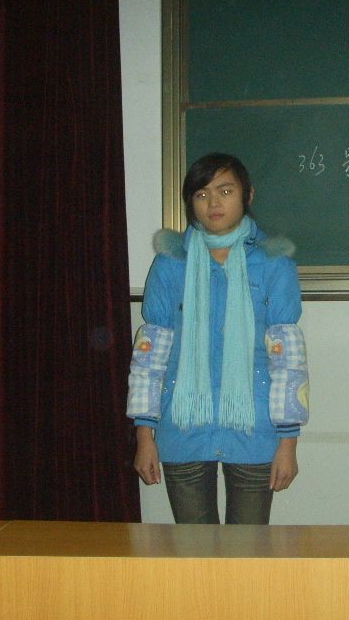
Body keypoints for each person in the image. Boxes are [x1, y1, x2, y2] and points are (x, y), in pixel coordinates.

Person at [126, 153, 309, 524]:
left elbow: (288, 361)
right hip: (182, 429)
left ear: (247, 195)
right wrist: (145, 437)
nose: (213, 203)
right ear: (190, 201)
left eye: (225, 191)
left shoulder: (273, 264)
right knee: (195, 549)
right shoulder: (170, 264)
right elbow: (149, 357)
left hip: (255, 429)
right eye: (202, 194)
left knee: (248, 548)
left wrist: (288, 443)